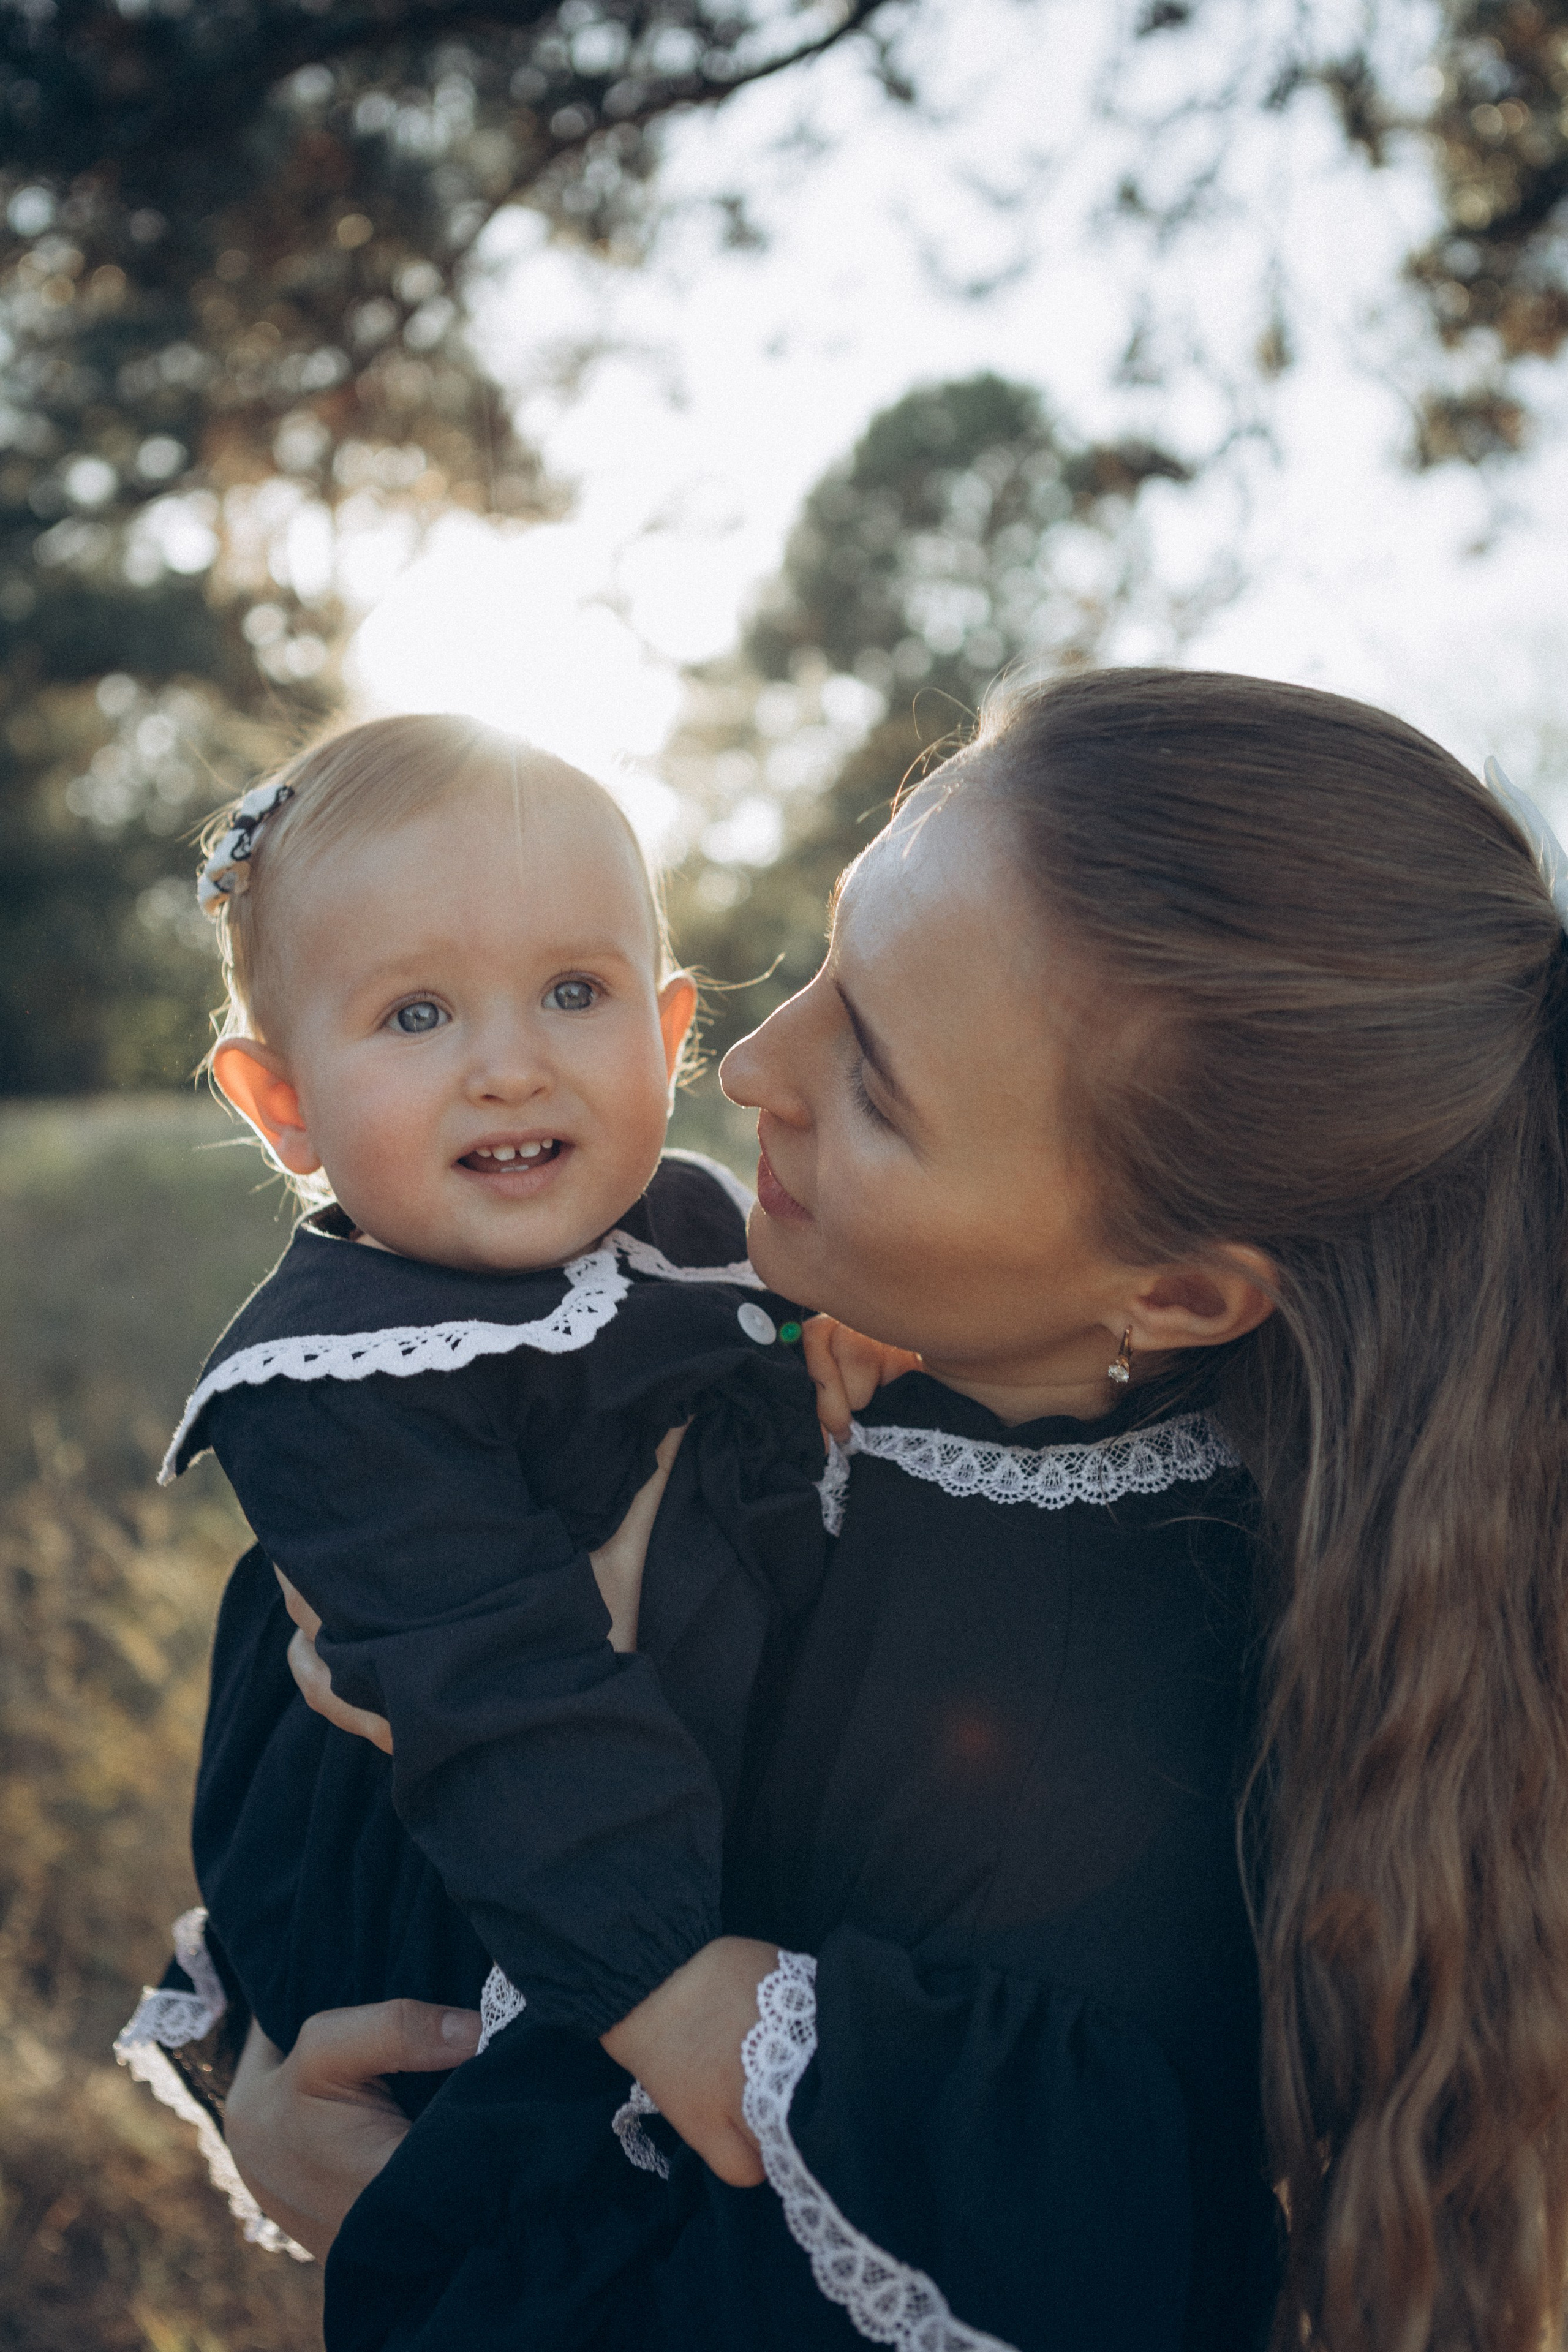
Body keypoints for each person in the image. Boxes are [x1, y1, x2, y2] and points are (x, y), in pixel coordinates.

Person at [224, 669, 1568, 2352]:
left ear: (1181, 1292)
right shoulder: (818, 1366)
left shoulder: (1075, 1763)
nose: (750, 1068)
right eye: (836, 960)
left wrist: (373, 2198)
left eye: (880, 1083)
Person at [117, 712, 877, 2190]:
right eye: (416, 1016)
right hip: (472, 1848)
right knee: (547, 2167)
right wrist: (658, 1979)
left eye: (574, 993)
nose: (511, 1068)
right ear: (282, 1106)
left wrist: (838, 1336)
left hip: (680, 1783)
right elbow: (494, 1687)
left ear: (668, 1037)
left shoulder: (700, 1223)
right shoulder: (335, 1380)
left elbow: (773, 1360)